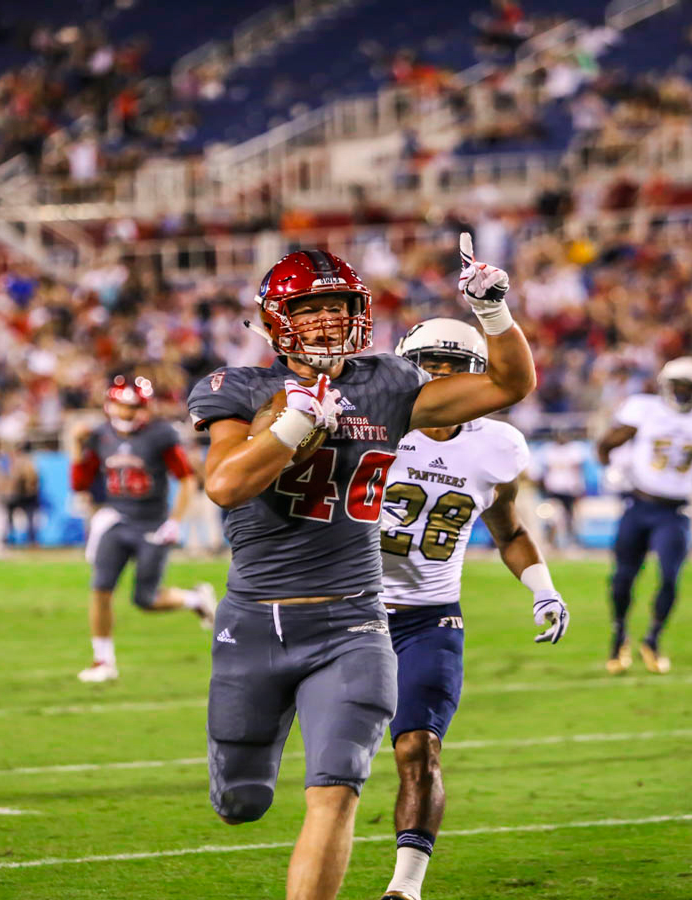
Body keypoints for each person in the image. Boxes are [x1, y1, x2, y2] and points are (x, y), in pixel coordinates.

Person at [185, 238, 535, 900]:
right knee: (241, 802)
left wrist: (494, 314)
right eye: (311, 310)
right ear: (274, 320)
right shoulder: (239, 386)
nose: (327, 322)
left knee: (336, 791)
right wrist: (291, 428)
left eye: (339, 307)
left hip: (354, 621)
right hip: (255, 623)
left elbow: (509, 383)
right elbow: (226, 485)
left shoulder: (388, 382)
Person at [377, 317, 568, 900]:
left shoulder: (498, 445)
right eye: (426, 365)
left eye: (451, 365)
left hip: (428, 616)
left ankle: (405, 888)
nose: (437, 378)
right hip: (349, 611)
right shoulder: (370, 428)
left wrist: (543, 586)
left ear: (478, 374)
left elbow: (508, 529)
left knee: (418, 746)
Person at [596, 357, 692, 675]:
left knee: (670, 576)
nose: (683, 393)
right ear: (665, 387)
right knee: (621, 578)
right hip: (639, 504)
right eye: (679, 386)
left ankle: (653, 640)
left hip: (676, 510)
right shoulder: (644, 410)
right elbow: (606, 444)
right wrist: (612, 469)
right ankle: (619, 636)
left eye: (690, 387)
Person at [75, 375, 215, 683]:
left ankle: (195, 599)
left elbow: (188, 478)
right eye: (122, 406)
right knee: (100, 589)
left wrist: (174, 521)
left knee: (146, 599)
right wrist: (77, 447)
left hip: (151, 523)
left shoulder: (160, 434)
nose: (126, 413)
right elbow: (80, 483)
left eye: (133, 407)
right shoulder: (100, 435)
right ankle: (103, 661)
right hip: (118, 519)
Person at [530, 431, 588, 548]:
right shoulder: (548, 449)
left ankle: (572, 542)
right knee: (551, 517)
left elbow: (578, 470)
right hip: (553, 489)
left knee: (571, 516)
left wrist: (579, 487)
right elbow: (542, 471)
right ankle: (551, 541)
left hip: (570, 489)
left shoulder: (574, 449)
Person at [5, 449, 42, 546]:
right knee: (14, 518)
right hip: (21, 496)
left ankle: (30, 540)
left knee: (29, 520)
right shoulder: (22, 464)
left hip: (26, 496)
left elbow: (31, 482)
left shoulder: (26, 464)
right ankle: (13, 539)